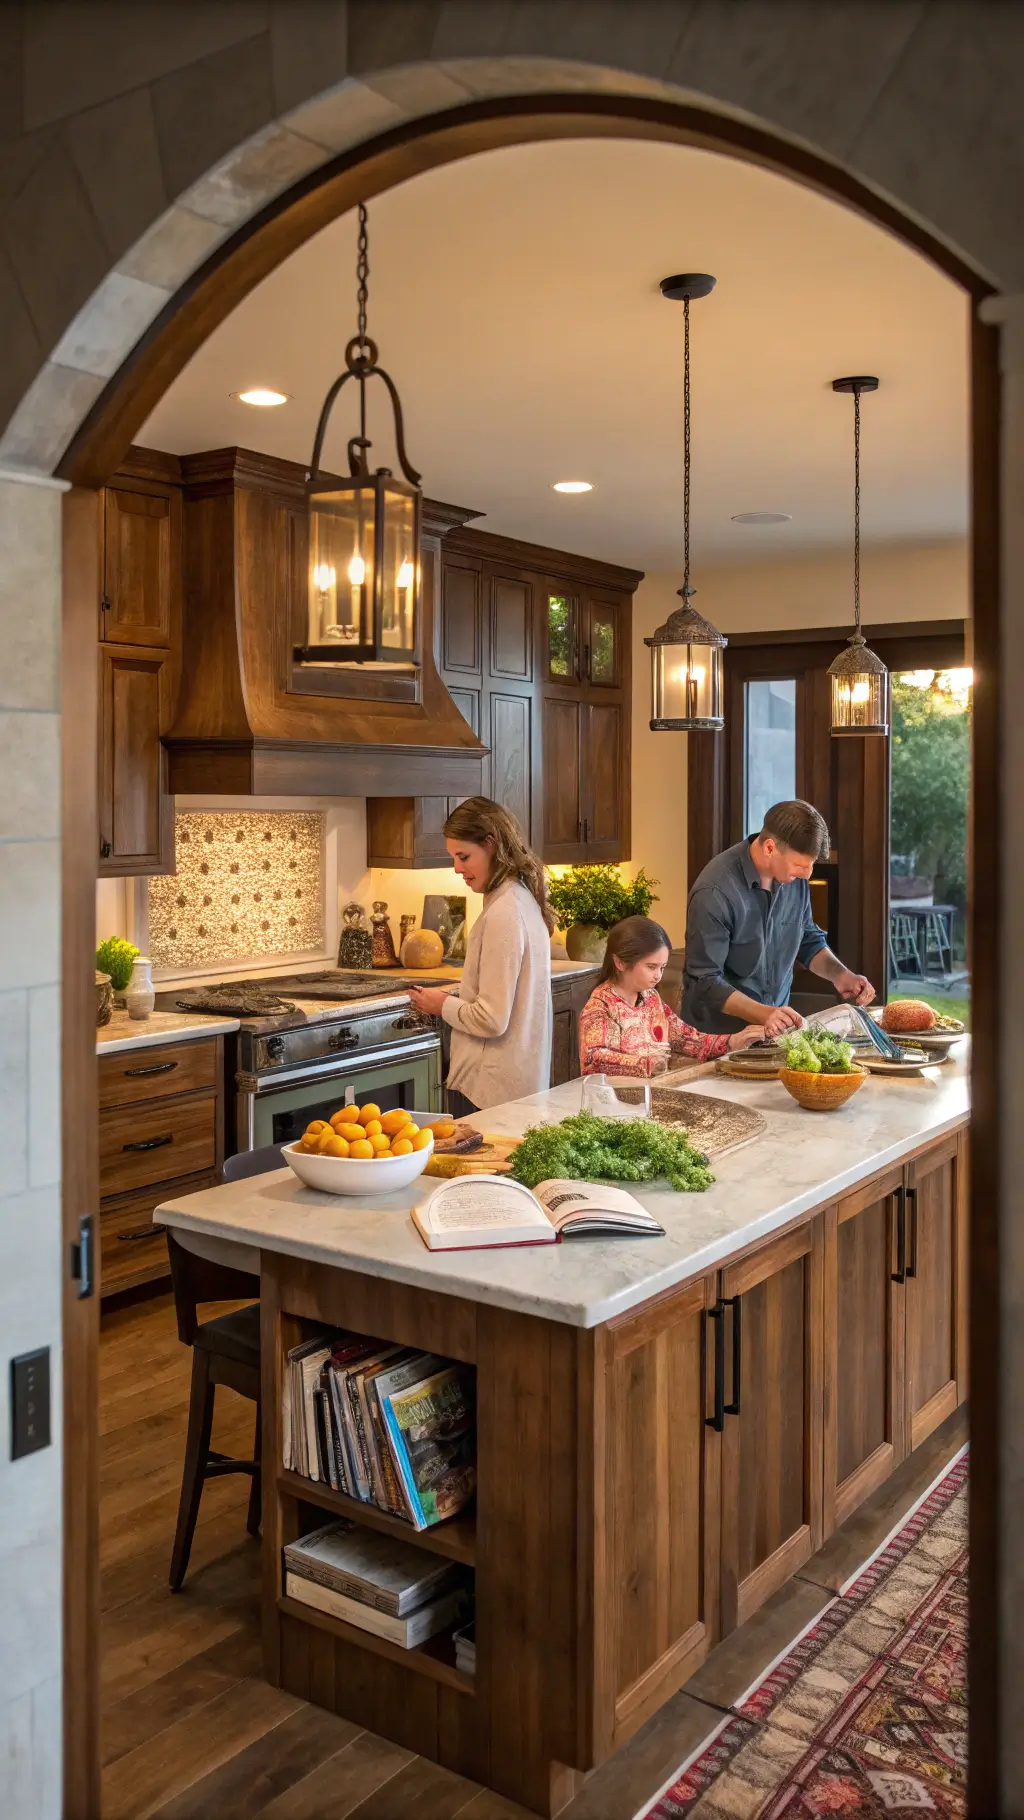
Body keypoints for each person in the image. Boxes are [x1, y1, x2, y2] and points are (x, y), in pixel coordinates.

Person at [408, 797, 553, 1115]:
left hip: (490, 1092)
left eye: (464, 856)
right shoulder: (519, 899)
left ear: (492, 844)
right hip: (513, 1088)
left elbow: (491, 1019)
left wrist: (440, 1004)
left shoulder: (505, 913)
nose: (457, 868)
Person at [682, 799, 875, 1038]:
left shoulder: (794, 879)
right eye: (799, 864)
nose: (807, 874)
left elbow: (805, 938)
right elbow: (705, 980)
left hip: (773, 1034)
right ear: (770, 848)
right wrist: (766, 1014)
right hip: (718, 1039)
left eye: (811, 864)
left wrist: (841, 975)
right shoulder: (715, 891)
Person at [578, 916, 763, 1078]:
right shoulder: (600, 1006)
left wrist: (732, 1041)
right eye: (651, 967)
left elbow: (685, 1038)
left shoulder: (651, 998)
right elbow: (594, 1060)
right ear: (619, 962)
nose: (658, 975)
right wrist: (649, 1064)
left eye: (663, 967)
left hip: (654, 1094)